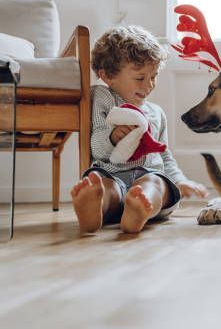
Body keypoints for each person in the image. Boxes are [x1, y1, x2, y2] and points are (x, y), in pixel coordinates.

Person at [70, 26, 208, 234]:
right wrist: (113, 138)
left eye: (153, 76)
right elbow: (97, 146)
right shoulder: (102, 99)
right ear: (107, 76)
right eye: (140, 78)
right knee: (104, 185)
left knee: (155, 184)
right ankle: (95, 206)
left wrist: (180, 181)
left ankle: (139, 209)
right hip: (111, 173)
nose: (149, 84)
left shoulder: (156, 113)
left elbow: (164, 155)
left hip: (148, 173)